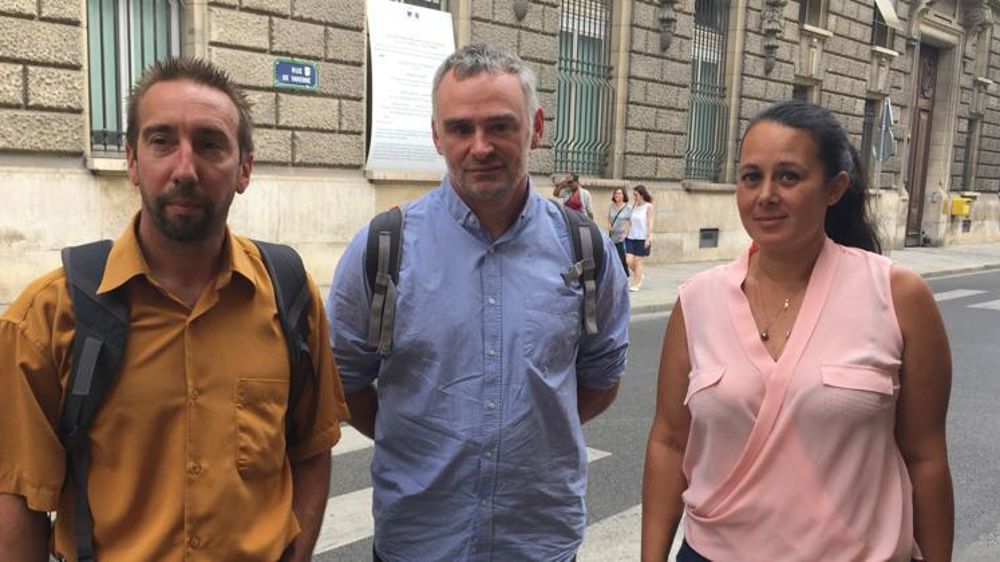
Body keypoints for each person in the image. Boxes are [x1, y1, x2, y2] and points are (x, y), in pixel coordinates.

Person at [0, 57, 349, 562]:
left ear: (244, 169)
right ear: (133, 161)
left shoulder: (289, 295)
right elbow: (17, 495)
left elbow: (312, 448)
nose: (185, 169)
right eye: (162, 141)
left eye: (210, 144)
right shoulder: (48, 316)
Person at [328, 44, 629, 562]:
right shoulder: (385, 247)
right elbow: (345, 381)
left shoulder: (585, 248)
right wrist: (421, 442)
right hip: (419, 541)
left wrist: (529, 433)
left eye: (500, 126)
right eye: (461, 129)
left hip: (538, 541)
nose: (481, 146)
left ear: (535, 126)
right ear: (436, 135)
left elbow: (601, 379)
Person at [641, 99, 953, 562]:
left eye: (788, 176)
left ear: (834, 188)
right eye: (751, 177)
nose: (765, 194)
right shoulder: (697, 301)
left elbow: (926, 459)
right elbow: (669, 441)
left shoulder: (897, 297)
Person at [625, 184, 654, 291]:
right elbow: (630, 222)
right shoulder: (633, 206)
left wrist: (649, 237)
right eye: (633, 195)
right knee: (628, 260)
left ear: (642, 195)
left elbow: (650, 223)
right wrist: (626, 233)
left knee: (638, 261)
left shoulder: (648, 206)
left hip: (642, 238)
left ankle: (636, 283)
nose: (634, 197)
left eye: (636, 195)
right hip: (631, 237)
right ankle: (640, 274)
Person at [608, 187, 632, 275]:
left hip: (622, 237)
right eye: (616, 193)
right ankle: (615, 274)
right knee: (612, 256)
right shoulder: (611, 206)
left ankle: (624, 274)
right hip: (612, 236)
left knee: (622, 257)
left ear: (623, 195)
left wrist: (626, 233)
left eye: (619, 193)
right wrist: (609, 225)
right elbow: (609, 218)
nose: (617, 195)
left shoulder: (628, 208)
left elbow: (630, 222)